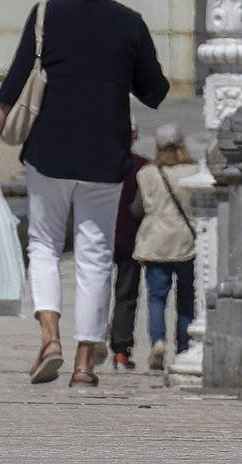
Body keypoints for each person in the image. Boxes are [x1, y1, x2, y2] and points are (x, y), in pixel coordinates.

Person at [0, 0, 169, 388]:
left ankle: (50, 338)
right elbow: (155, 90)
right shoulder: (129, 22)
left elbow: (12, 85)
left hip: (49, 151)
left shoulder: (46, 15)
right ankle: (85, 363)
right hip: (105, 154)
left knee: (43, 244)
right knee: (96, 253)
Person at [132, 124, 198, 372]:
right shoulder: (192, 171)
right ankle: (183, 348)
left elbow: (137, 209)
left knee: (157, 297)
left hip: (155, 241)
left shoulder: (147, 173)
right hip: (184, 242)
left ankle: (158, 341)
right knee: (185, 299)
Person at [110, 118, 148, 371]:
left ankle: (89, 342)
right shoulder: (143, 167)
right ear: (134, 136)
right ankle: (121, 350)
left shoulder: (97, 162)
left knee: (95, 288)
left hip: (99, 236)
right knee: (126, 295)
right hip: (130, 238)